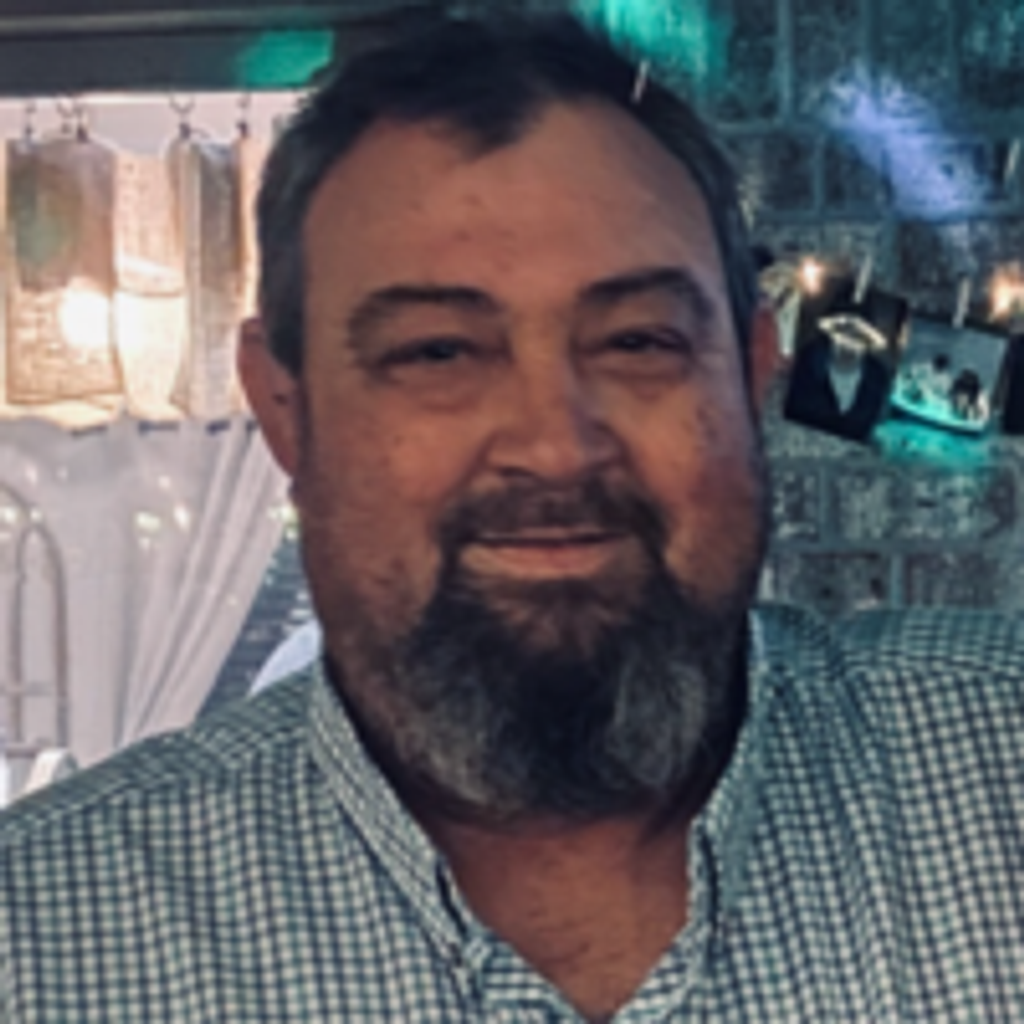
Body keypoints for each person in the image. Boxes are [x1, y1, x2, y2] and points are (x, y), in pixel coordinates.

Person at [3, 13, 1023, 1023]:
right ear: (285, 409)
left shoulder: (998, 773)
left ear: (751, 373)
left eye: (638, 342)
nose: (555, 444)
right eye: (437, 352)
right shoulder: (39, 944)